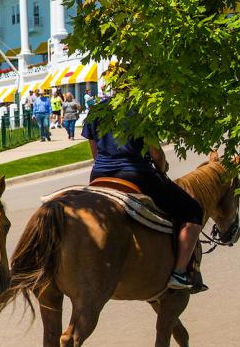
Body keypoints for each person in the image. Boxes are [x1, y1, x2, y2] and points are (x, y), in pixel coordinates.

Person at [81, 99, 206, 292]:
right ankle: (180, 272)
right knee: (192, 210)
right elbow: (156, 155)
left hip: (99, 175)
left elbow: (95, 153)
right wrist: (162, 168)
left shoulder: (96, 110)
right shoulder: (140, 110)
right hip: (135, 174)